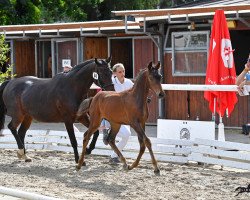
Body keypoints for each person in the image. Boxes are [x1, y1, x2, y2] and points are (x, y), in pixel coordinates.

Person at [102, 63, 134, 164]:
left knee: (126, 135)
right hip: (112, 115)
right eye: (120, 72)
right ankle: (106, 128)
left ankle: (113, 156)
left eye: (123, 71)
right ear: (115, 73)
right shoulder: (111, 83)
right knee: (127, 134)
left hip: (125, 115)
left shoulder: (129, 82)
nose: (122, 73)